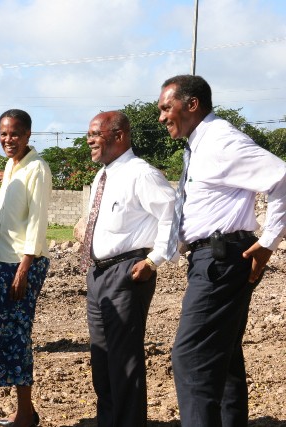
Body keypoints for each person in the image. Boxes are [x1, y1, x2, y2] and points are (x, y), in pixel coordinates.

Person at [158, 74, 286, 426]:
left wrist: (268, 242)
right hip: (213, 258)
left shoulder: (221, 141)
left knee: (191, 357)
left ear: (192, 104)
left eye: (167, 107)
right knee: (223, 357)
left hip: (224, 258)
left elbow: (281, 177)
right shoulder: (201, 144)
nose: (161, 116)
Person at [78, 111, 176, 427]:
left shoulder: (141, 174)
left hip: (127, 273)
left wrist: (154, 260)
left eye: (96, 133)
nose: (89, 140)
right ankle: (109, 420)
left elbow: (172, 215)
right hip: (98, 274)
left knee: (124, 360)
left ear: (119, 136)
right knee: (102, 359)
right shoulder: (102, 176)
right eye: (89, 134)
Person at [0, 109, 52, 427]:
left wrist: (24, 266)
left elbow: (37, 221)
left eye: (15, 134)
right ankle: (23, 411)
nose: (8, 140)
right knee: (5, 338)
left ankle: (25, 414)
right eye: (4, 134)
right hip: (5, 263)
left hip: (24, 265)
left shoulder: (37, 168)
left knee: (18, 338)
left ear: (27, 135)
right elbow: (3, 223)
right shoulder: (11, 167)